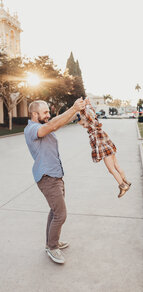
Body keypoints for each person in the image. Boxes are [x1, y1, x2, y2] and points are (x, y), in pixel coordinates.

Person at [24, 98, 85, 264]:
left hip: (56, 174)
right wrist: (73, 108)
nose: (48, 115)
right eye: (45, 112)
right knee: (60, 214)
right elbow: (52, 126)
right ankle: (52, 248)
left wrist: (77, 114)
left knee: (54, 211)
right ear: (34, 114)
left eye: (48, 112)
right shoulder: (32, 129)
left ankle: (51, 242)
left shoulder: (45, 124)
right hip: (47, 178)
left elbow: (57, 123)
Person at [77, 98, 131, 198]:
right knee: (116, 166)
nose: (84, 126)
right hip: (109, 147)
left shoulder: (92, 126)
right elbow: (92, 113)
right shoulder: (95, 122)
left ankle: (123, 186)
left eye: (84, 124)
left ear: (88, 121)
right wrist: (88, 105)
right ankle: (125, 181)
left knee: (111, 169)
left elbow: (87, 115)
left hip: (105, 150)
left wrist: (83, 107)